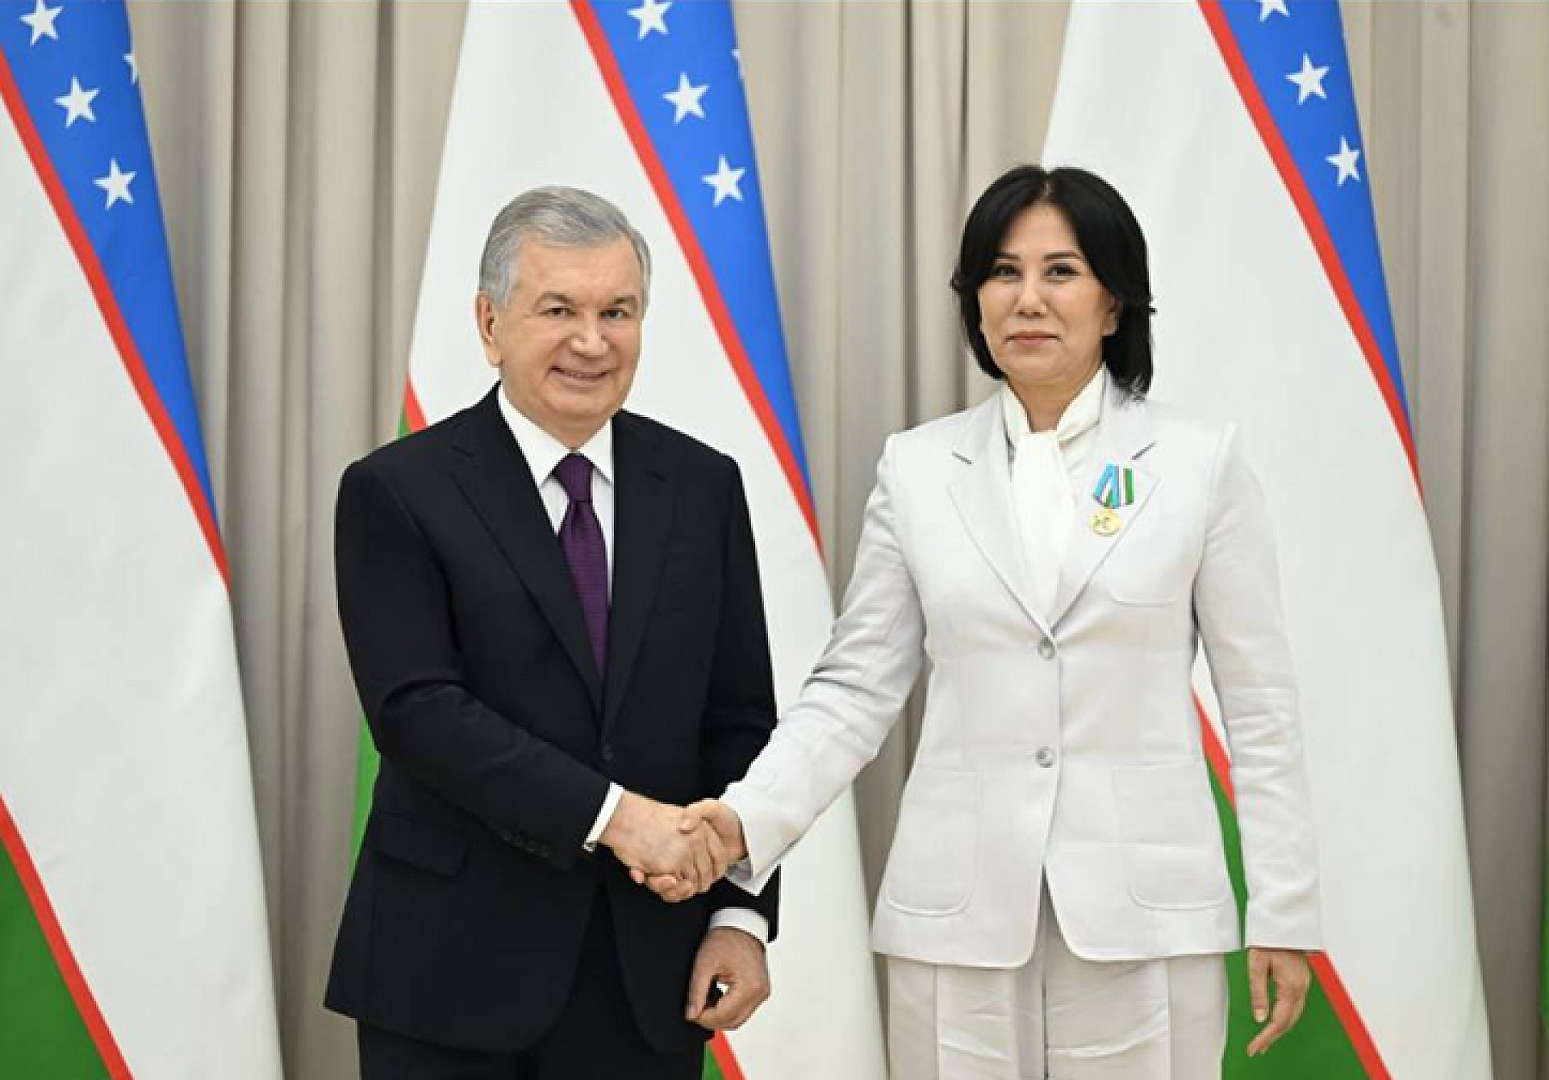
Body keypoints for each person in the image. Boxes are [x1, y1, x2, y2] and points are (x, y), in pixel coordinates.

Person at [651, 164, 1321, 1078]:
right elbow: (853, 690)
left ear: (1114, 302)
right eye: (1002, 273)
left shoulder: (1199, 463)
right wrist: (739, 823)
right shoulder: (918, 468)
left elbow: (1261, 708)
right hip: (955, 913)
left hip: (1146, 918)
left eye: (1060, 271)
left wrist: (1282, 910)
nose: (1026, 299)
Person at [326, 186, 777, 1080]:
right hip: (446, 970)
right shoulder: (397, 489)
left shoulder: (703, 485)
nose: (591, 341)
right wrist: (615, 819)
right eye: (558, 310)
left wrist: (739, 916)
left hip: (647, 972)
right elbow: (417, 712)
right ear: (490, 324)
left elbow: (738, 722)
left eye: (617, 312)